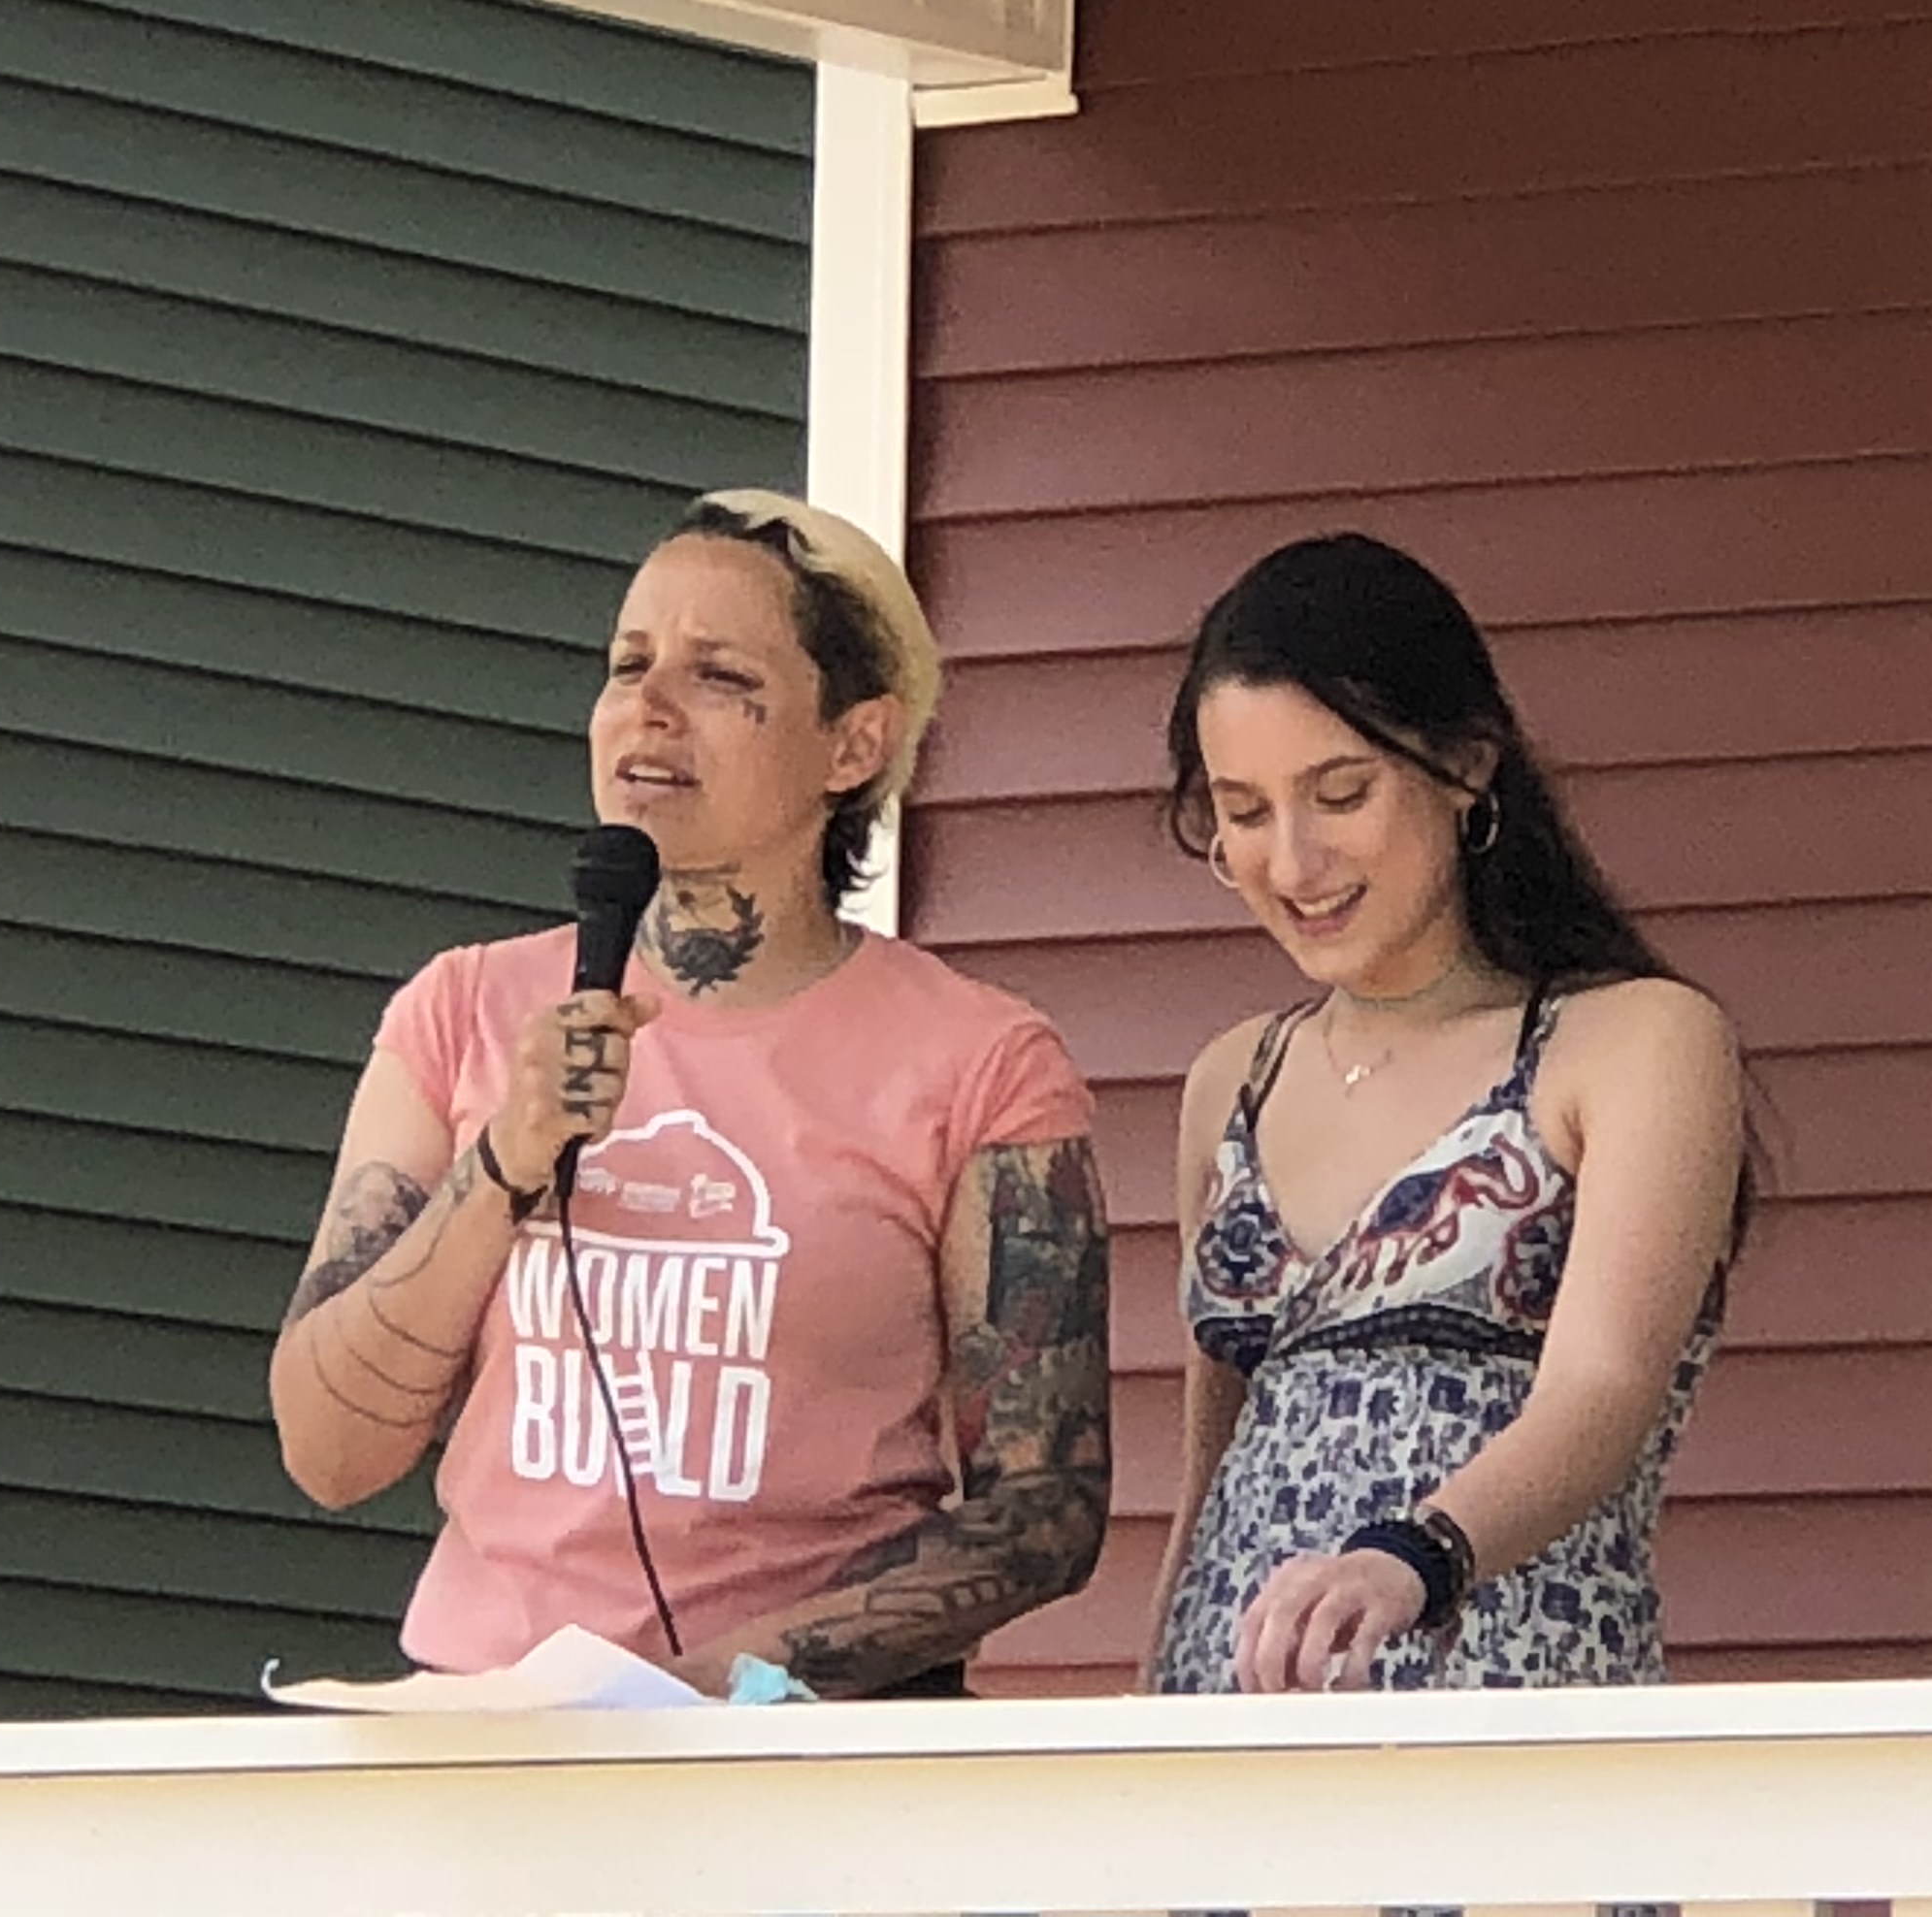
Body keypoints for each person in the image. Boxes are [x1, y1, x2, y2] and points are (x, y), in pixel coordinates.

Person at [270, 489, 1110, 1698]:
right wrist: (503, 1161)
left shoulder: (982, 1062)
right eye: (628, 665)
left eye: (719, 676)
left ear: (853, 745)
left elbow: (1045, 1509)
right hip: (494, 1727)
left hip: (795, 1737)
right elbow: (330, 1451)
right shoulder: (460, 1011)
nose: (649, 708)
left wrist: (709, 1691)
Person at [1146, 532, 1748, 1695]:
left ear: (1467, 767)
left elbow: (1605, 1387)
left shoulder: (1632, 1041)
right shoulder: (1233, 1079)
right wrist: (1147, 1716)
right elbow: (1210, 1473)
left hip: (1504, 1714)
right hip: (1231, 1732)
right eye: (1244, 813)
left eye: (1340, 794)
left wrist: (1412, 1559)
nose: (1294, 861)